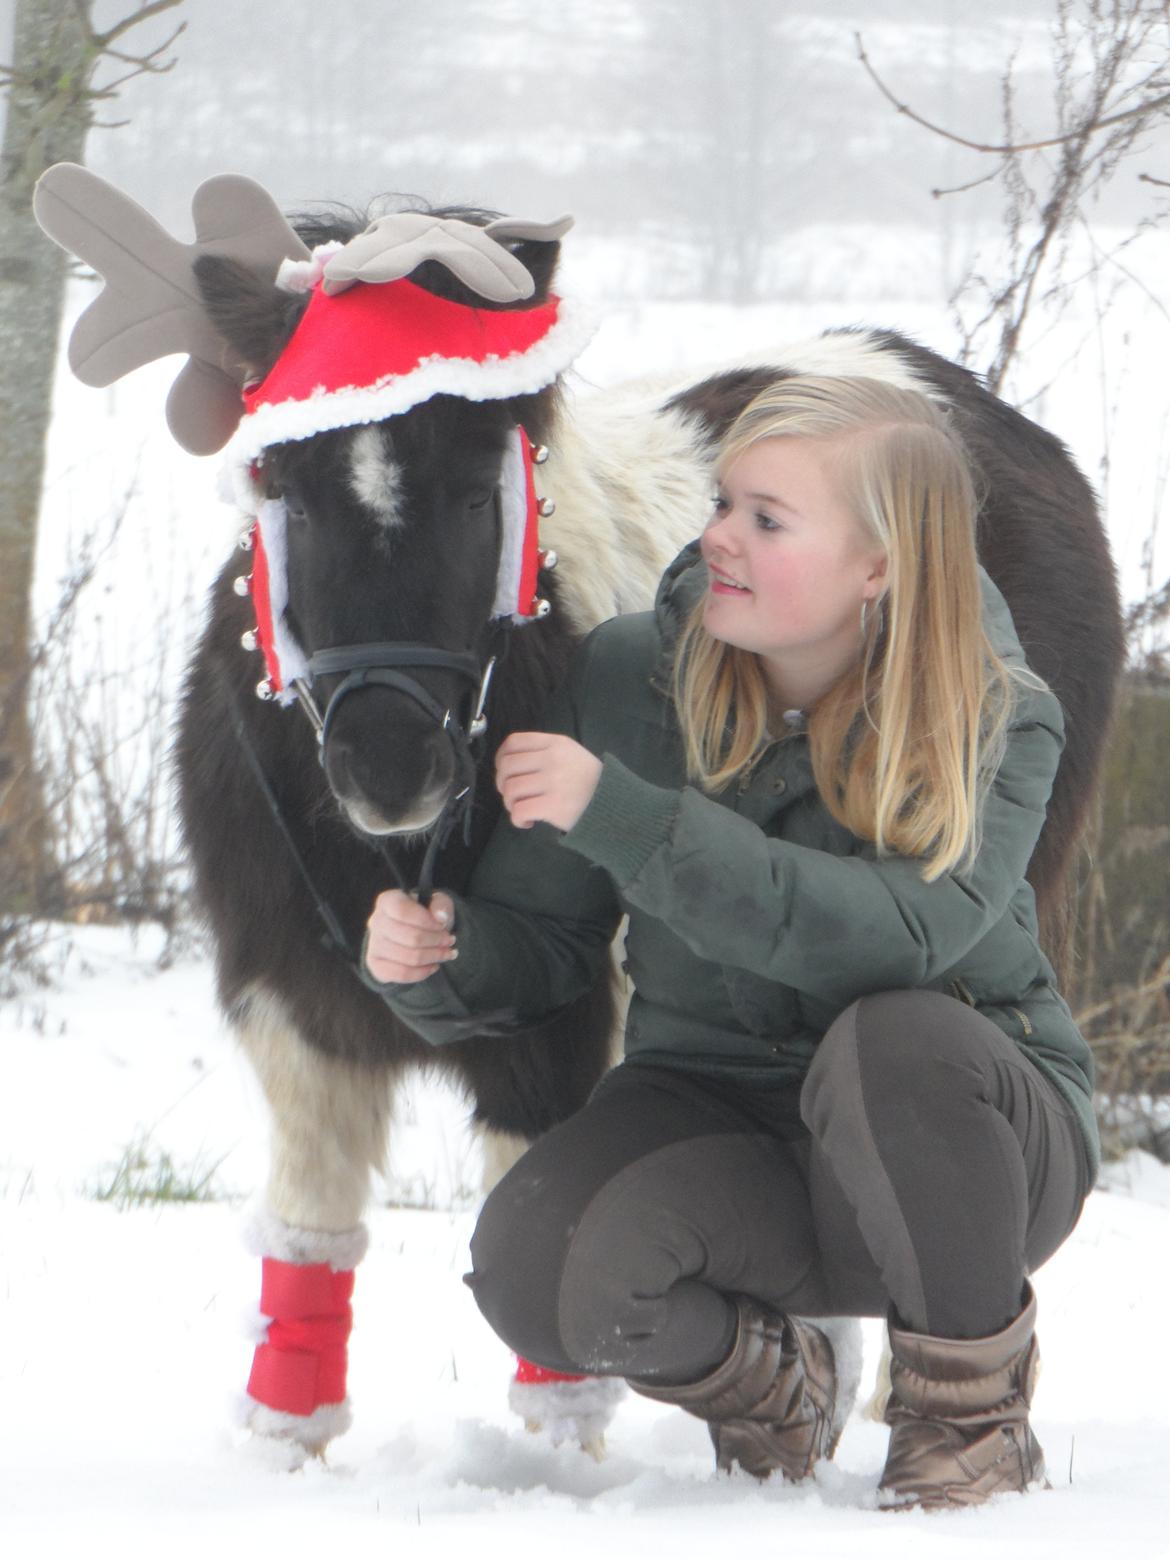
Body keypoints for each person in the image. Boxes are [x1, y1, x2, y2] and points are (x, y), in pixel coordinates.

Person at [363, 375, 1096, 1510]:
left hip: (968, 1153)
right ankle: (770, 1385)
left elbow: (902, 939)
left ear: (881, 566)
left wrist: (630, 818)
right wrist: (447, 954)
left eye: (767, 518)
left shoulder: (996, 713)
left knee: (893, 1039)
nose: (717, 538)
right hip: (724, 1121)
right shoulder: (625, 678)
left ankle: (968, 1417)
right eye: (723, 504)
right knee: (534, 1264)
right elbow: (548, 941)